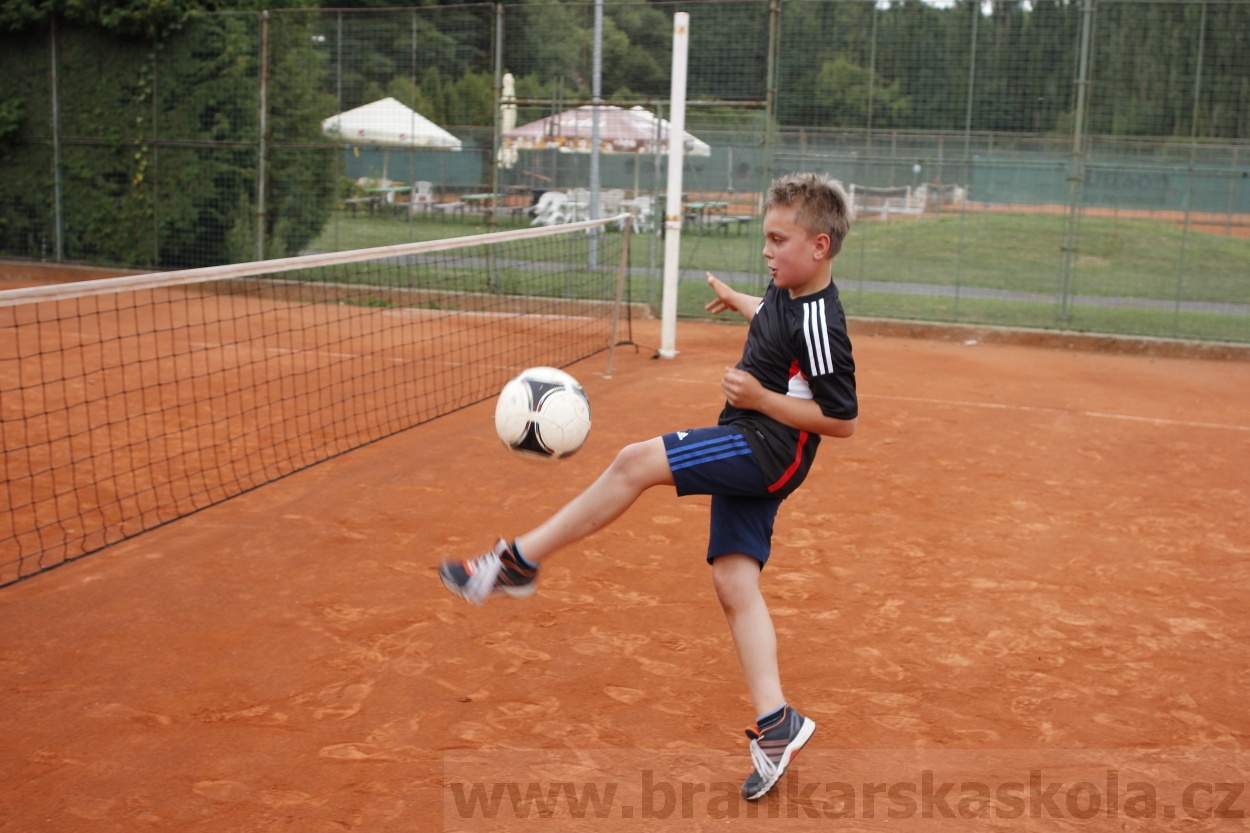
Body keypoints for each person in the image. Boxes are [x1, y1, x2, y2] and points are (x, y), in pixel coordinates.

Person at [440, 172, 858, 801]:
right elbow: (778, 318)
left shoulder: (823, 321)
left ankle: (516, 562)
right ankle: (778, 724)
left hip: (766, 447)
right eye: (766, 239)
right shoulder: (787, 293)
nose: (766, 251)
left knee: (635, 461)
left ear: (820, 246)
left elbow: (842, 419)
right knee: (733, 582)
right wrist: (740, 300)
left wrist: (760, 397)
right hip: (752, 436)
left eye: (778, 240)